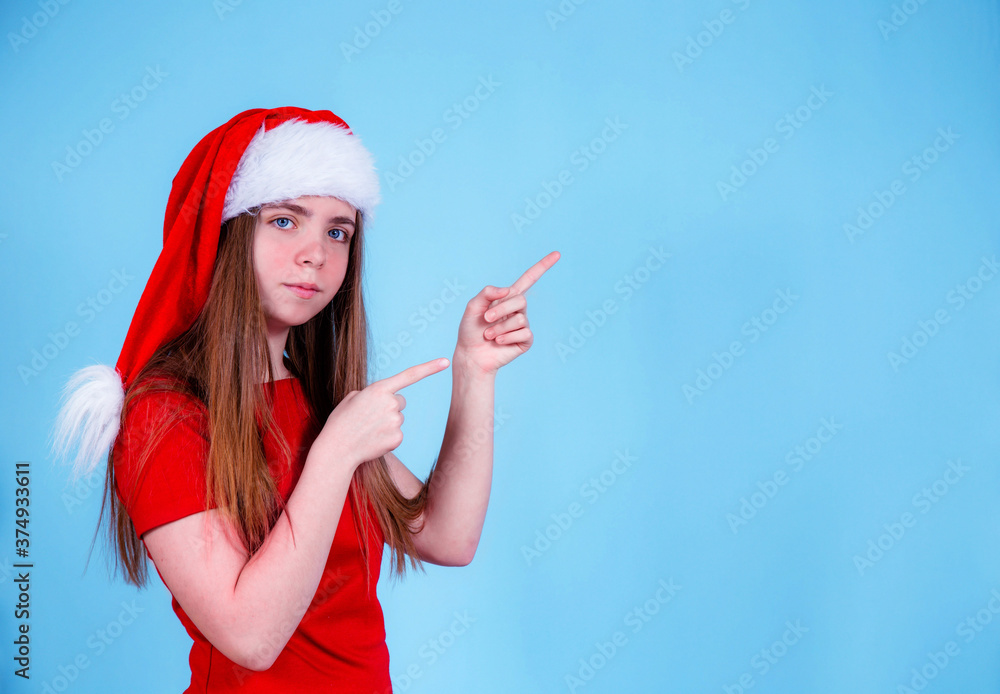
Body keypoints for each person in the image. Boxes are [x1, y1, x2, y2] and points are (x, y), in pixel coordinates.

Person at [54, 106, 560, 692]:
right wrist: (334, 455)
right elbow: (250, 637)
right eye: (286, 221)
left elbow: (446, 537)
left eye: (337, 231)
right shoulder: (163, 415)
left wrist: (475, 372)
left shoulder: (316, 400)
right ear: (226, 232)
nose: (316, 253)